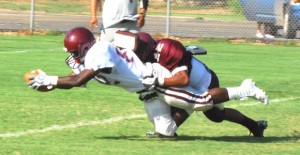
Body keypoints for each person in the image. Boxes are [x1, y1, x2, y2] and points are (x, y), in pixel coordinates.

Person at [27, 27, 268, 138]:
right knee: (166, 131)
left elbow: (78, 81)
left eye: (75, 52)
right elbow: (75, 78)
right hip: (147, 91)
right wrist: (46, 84)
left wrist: (50, 79)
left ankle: (245, 88)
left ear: (84, 48)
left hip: (155, 82)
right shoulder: (90, 56)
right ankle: (255, 125)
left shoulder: (99, 52)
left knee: (203, 104)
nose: (74, 57)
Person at [125, 31, 269, 137]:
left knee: (215, 115)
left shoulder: (166, 48)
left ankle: (245, 90)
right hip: (183, 86)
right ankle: (256, 126)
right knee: (215, 115)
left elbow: (183, 79)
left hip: (203, 81)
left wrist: (158, 82)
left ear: (145, 50)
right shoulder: (149, 58)